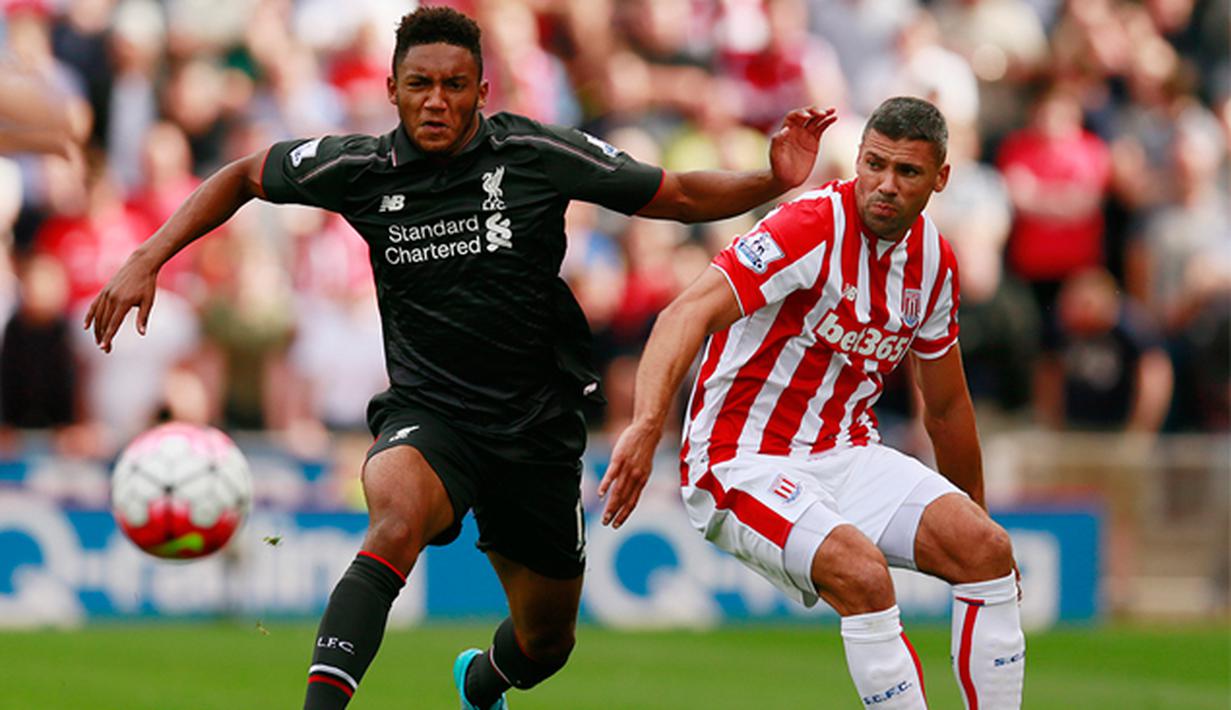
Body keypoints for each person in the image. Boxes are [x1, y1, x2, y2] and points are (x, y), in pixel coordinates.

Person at [82, 7, 836, 710]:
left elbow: (675, 193)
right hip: (430, 415)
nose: (436, 101)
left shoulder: (536, 154)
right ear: (392, 90)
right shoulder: (361, 168)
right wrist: (148, 256)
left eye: (453, 85)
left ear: (482, 90)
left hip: (536, 426)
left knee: (546, 643)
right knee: (393, 522)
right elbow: (245, 174)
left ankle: (482, 681)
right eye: (419, 85)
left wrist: (772, 179)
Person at [601, 97, 1025, 709]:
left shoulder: (934, 263)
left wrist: (975, 516)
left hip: (846, 452)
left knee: (988, 552)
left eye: (907, 171)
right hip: (740, 457)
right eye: (874, 164)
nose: (885, 184)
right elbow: (684, 313)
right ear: (858, 161)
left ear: (941, 179)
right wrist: (647, 424)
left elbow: (947, 408)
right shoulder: (809, 225)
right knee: (862, 574)